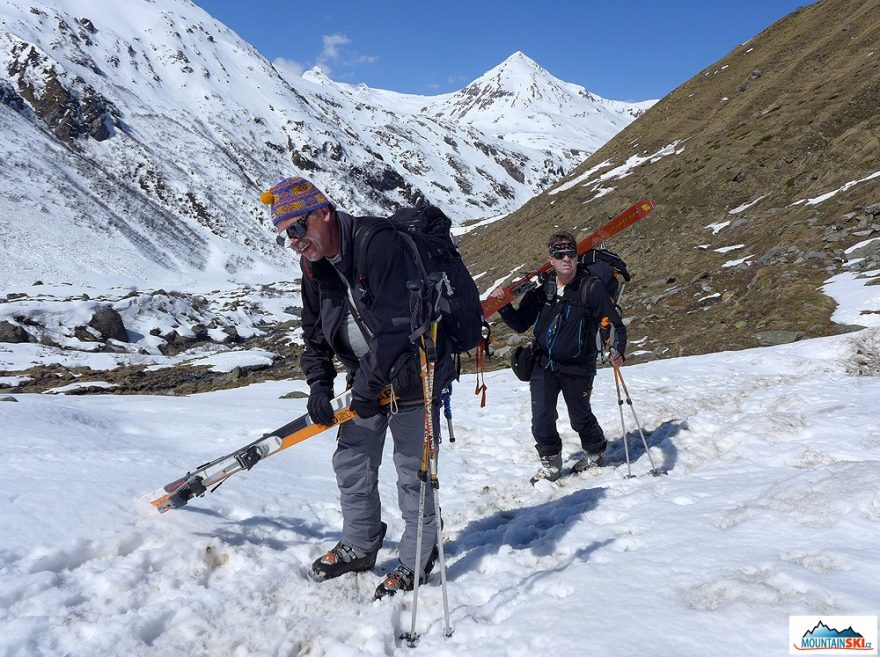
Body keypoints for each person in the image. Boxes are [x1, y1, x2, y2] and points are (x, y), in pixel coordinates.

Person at [260, 176, 452, 599]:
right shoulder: (313, 266)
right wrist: (318, 385)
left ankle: (417, 558)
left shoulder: (377, 244)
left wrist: (365, 388)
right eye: (285, 234)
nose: (293, 241)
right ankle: (361, 543)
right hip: (365, 379)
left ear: (324, 213)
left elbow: (396, 328)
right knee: (352, 461)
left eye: (296, 228)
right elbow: (313, 334)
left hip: (414, 375)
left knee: (413, 473)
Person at [489, 231, 627, 483]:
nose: (566, 259)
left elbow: (614, 324)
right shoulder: (544, 289)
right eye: (559, 254)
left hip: (578, 365)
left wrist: (618, 351)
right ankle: (551, 466)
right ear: (550, 259)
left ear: (577, 256)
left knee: (580, 416)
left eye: (571, 253)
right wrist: (504, 306)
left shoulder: (590, 288)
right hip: (543, 363)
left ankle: (595, 453)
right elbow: (521, 323)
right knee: (541, 418)